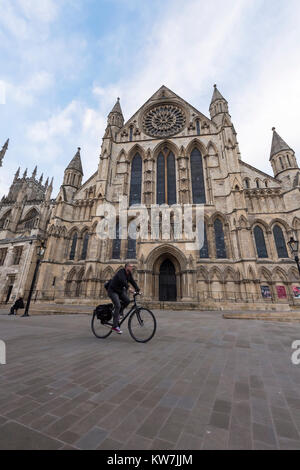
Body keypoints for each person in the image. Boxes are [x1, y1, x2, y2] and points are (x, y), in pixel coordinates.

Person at [107, 263, 140, 334]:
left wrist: (138, 289)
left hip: (120, 291)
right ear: (127, 267)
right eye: (131, 267)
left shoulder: (129, 274)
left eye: (132, 266)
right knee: (118, 305)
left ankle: (119, 313)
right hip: (113, 291)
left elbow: (132, 281)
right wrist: (129, 288)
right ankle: (115, 326)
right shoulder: (121, 272)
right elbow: (122, 280)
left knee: (127, 301)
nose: (132, 268)